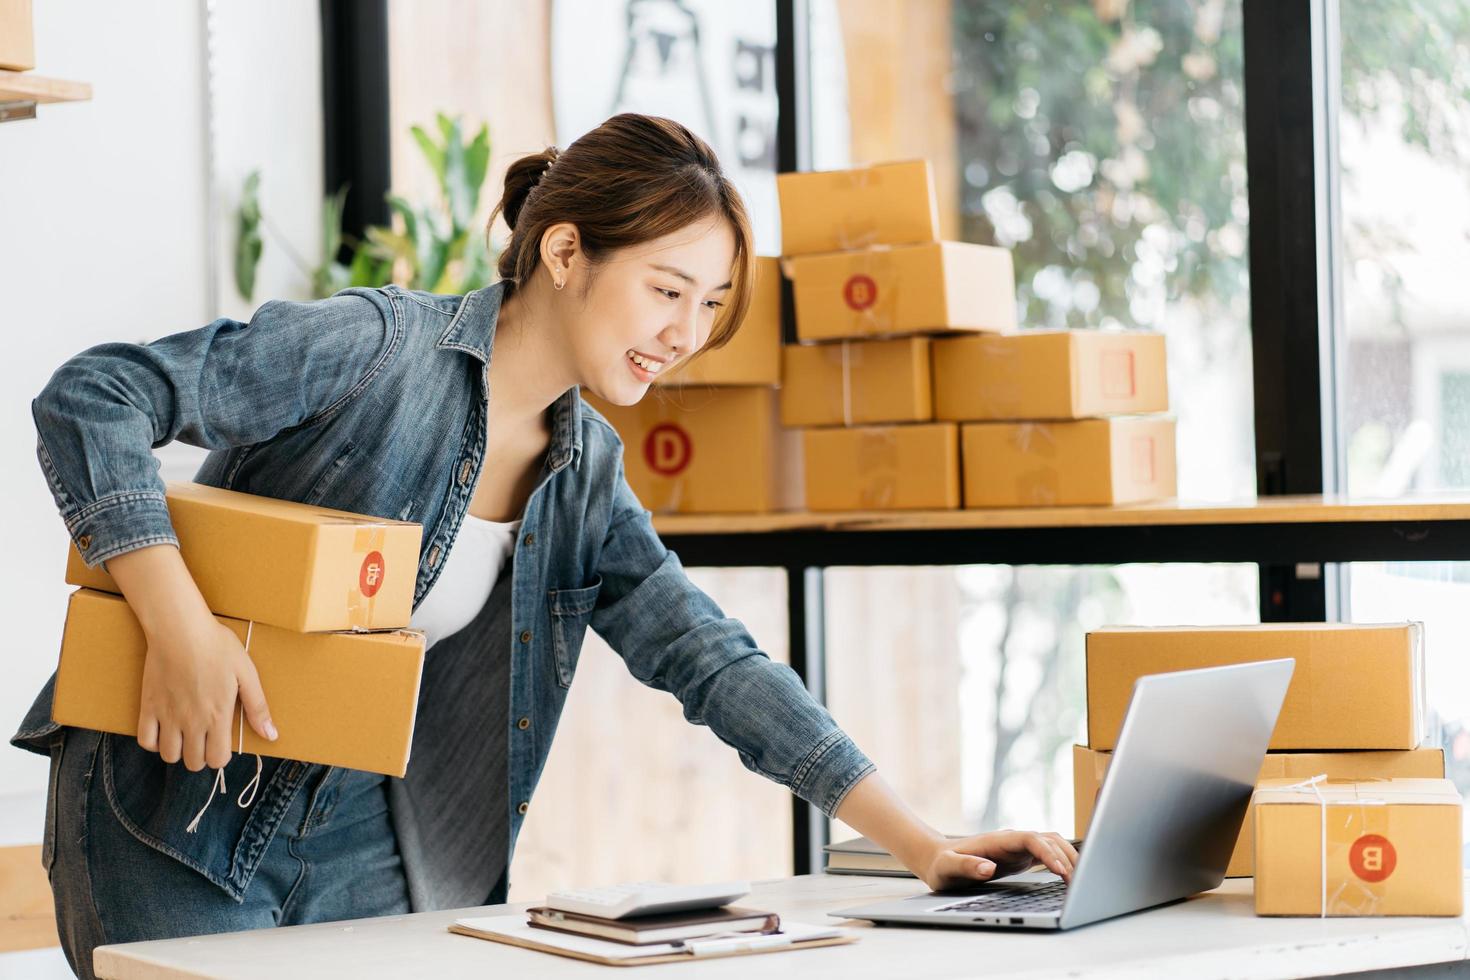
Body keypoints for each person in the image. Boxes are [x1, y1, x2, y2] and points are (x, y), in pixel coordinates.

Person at [12, 113, 1076, 979]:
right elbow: (92, 396)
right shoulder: (375, 350)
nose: (685, 332)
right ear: (565, 250)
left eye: (709, 305)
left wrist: (922, 841)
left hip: (374, 842)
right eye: (666, 289)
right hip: (177, 810)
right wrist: (179, 621)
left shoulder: (587, 473)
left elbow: (710, 660)